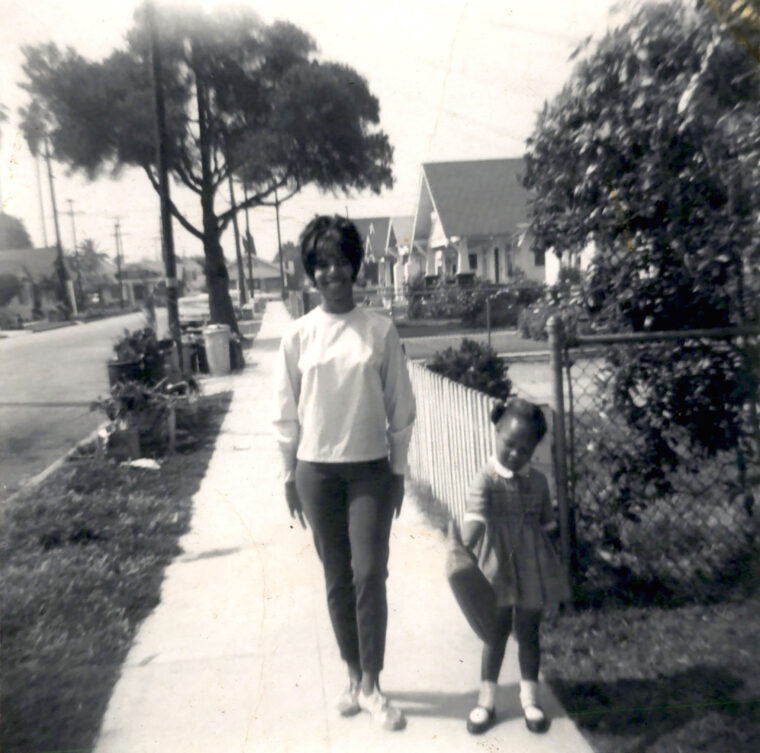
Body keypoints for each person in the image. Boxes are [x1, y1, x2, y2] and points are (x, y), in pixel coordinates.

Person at [273, 215, 416, 731]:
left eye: (341, 261)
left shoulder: (379, 329)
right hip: (317, 472)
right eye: (322, 263)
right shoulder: (297, 336)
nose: (333, 271)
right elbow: (286, 411)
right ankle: (354, 676)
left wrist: (398, 472)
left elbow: (401, 408)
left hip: (369, 474)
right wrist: (289, 474)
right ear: (310, 273)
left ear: (356, 265)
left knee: (369, 574)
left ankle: (375, 685)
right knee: (337, 579)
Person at [459, 397, 570, 735]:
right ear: (496, 432)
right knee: (495, 635)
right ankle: (486, 701)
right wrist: (460, 547)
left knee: (529, 635)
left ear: (534, 449)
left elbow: (548, 526)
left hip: (531, 568)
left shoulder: (538, 482)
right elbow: (475, 521)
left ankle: (530, 700)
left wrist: (559, 560)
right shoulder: (486, 479)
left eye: (524, 449)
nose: (514, 454)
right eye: (509, 443)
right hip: (496, 567)